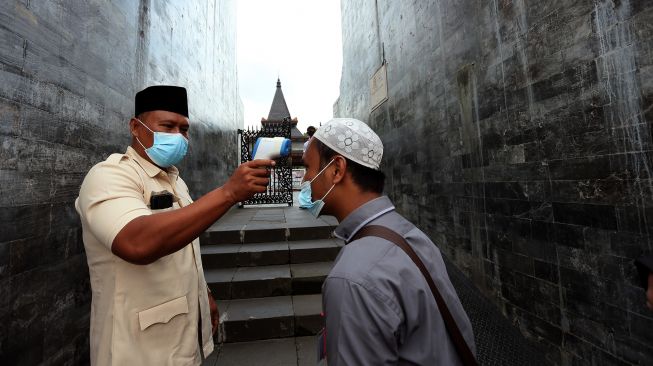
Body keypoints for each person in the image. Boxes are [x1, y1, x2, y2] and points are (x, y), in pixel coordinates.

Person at [75, 85, 274, 366]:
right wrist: (228, 193)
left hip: (182, 340)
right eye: (167, 126)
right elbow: (136, 242)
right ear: (136, 126)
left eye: (184, 129)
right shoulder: (109, 175)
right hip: (134, 349)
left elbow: (186, 247)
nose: (178, 137)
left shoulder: (175, 181)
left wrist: (203, 294)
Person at [300, 118, 476, 365]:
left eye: (308, 167)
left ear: (336, 170)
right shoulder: (410, 234)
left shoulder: (353, 279)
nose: (304, 180)